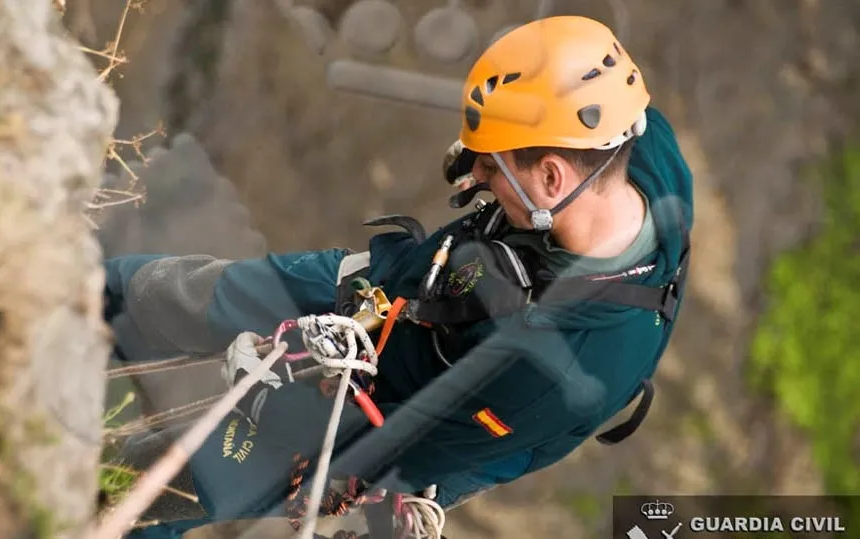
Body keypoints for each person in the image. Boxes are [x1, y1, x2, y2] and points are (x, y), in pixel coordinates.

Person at [103, 15, 693, 539]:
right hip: (392, 290)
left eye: (492, 166)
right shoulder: (636, 144)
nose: (476, 177)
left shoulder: (551, 372)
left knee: (153, 481)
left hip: (408, 418)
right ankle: (58, 309)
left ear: (553, 179)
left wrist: (272, 407)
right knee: (157, 294)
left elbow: (383, 456)